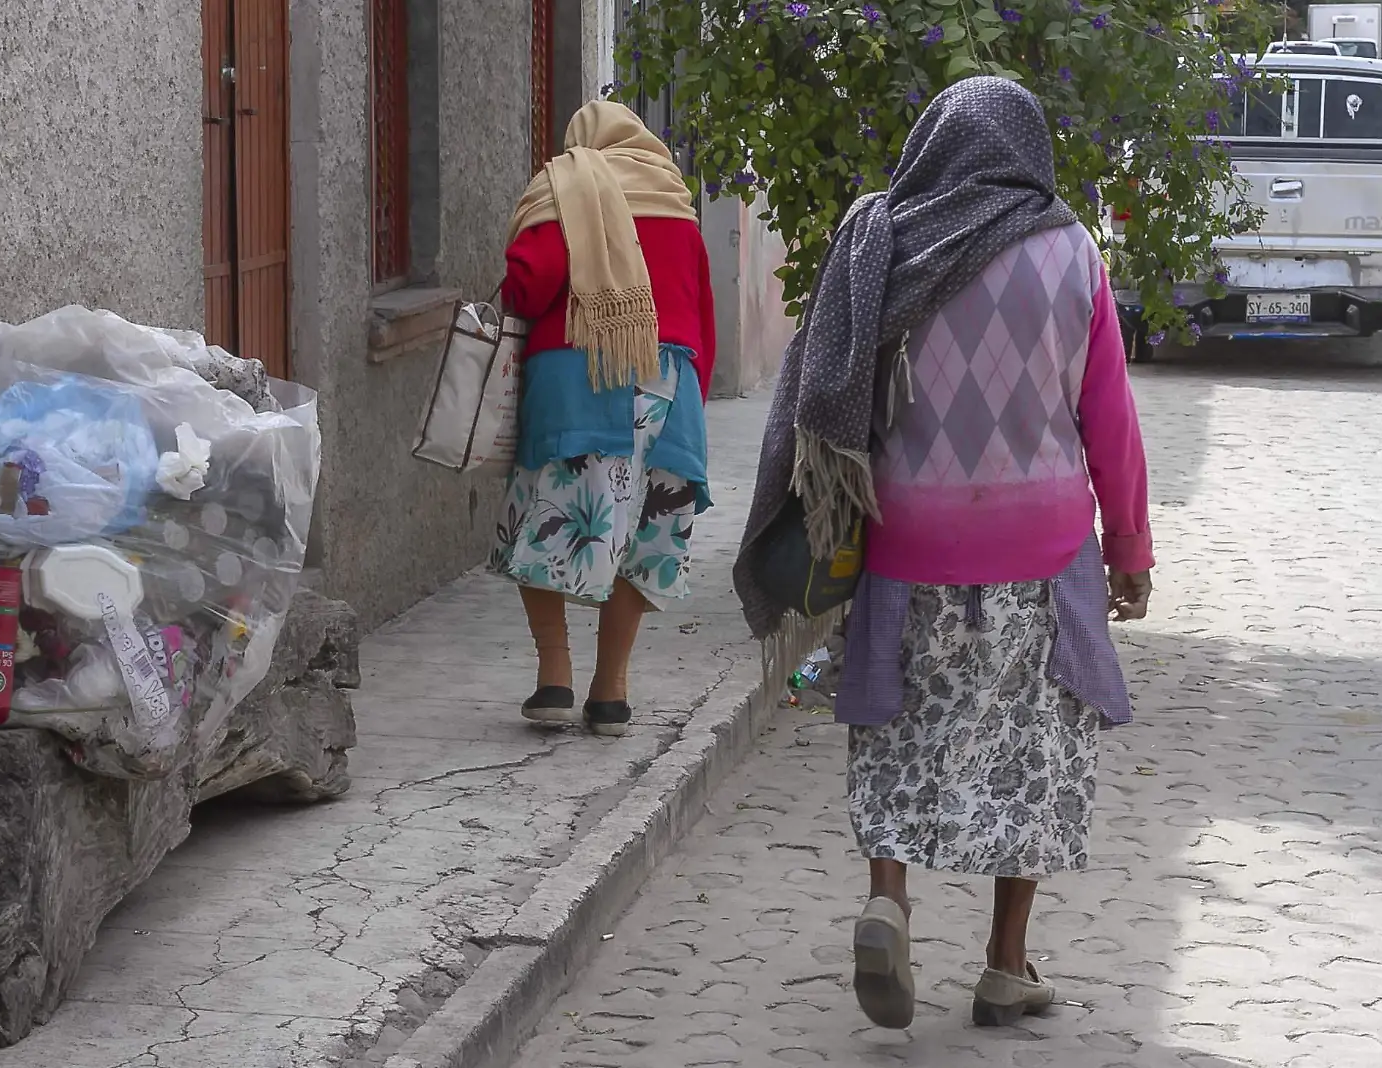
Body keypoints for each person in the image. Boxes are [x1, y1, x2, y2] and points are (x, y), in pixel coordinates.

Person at [733, 78, 1153, 1031]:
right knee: (1033, 751)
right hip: (1041, 554)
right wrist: (1128, 546)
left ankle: (888, 899)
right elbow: (1111, 422)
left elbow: (828, 388)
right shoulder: (1073, 252)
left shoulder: (885, 242)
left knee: (894, 725)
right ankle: (1006, 962)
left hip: (906, 543)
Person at [489, 100, 717, 739]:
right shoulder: (676, 204)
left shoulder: (564, 189)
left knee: (545, 515)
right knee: (647, 528)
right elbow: (702, 318)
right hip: (669, 392)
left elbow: (530, 287)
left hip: (578, 383)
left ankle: (554, 680)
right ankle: (610, 692)